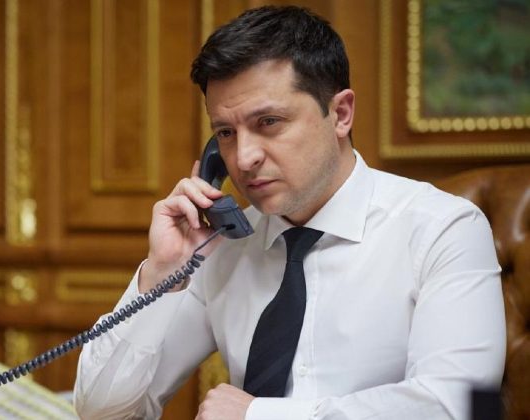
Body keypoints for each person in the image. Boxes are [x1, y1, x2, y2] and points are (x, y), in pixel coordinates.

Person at [73, 5, 505, 420]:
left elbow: (459, 407)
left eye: (269, 122)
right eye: (225, 133)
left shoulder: (443, 229)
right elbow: (103, 412)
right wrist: (161, 274)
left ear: (340, 114)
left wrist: (258, 415)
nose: (243, 158)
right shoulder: (222, 246)